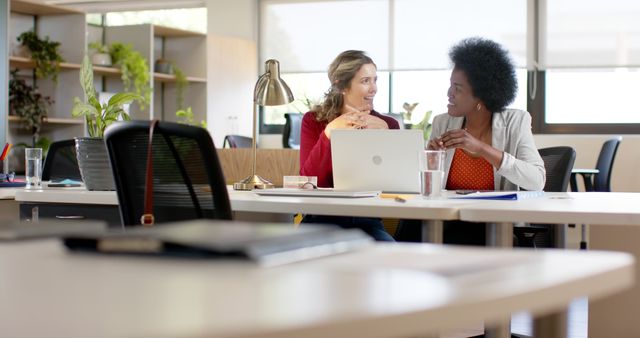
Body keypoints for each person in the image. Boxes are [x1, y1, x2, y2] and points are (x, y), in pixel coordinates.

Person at [396, 37, 545, 244]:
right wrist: (431, 159)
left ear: (480, 98)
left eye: (457, 88)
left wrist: (482, 148)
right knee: (410, 224)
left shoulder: (515, 121)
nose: (449, 93)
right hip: (446, 218)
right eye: (450, 85)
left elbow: (537, 180)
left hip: (491, 222)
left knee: (458, 236)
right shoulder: (443, 122)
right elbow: (426, 192)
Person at [299, 50, 399, 242]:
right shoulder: (314, 121)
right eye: (365, 81)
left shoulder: (387, 124)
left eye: (375, 80)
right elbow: (308, 181)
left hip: (367, 223)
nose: (374, 88)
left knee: (390, 251)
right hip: (320, 221)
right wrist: (329, 133)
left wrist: (387, 133)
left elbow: (398, 185)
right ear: (342, 86)